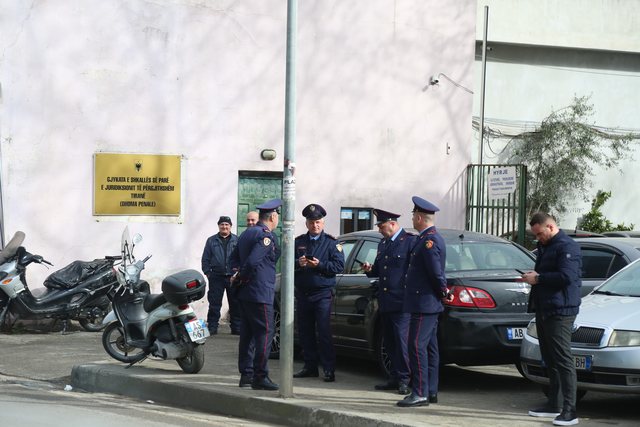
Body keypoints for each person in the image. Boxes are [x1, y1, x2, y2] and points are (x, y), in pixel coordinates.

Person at [522, 212, 581, 426]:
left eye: (540, 234)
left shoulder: (567, 246)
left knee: (563, 359)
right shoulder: (547, 246)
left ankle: (570, 410)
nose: (538, 238)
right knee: (550, 358)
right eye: (536, 236)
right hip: (545, 308)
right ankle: (554, 404)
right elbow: (547, 273)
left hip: (561, 310)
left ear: (550, 226)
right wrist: (535, 276)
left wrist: (538, 278)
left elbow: (567, 276)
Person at [397, 196, 452, 408]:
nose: (412, 219)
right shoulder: (425, 238)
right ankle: (430, 390)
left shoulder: (429, 241)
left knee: (416, 346)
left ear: (419, 217)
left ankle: (420, 392)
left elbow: (435, 272)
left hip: (425, 302)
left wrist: (443, 292)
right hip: (425, 301)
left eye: (413, 216)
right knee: (429, 348)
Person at [230, 199, 282, 391]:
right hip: (259, 293)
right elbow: (252, 263)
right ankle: (260, 376)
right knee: (265, 334)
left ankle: (246, 375)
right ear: (273, 217)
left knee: (248, 335)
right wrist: (242, 277)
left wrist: (236, 274)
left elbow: (233, 259)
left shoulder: (246, 233)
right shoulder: (265, 236)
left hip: (245, 294)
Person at [362, 209, 413, 395]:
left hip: (402, 302)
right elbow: (380, 269)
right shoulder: (383, 244)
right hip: (386, 301)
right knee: (389, 342)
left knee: (401, 342)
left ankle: (405, 379)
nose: (380, 230)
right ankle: (393, 377)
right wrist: (370, 269)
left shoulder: (408, 242)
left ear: (392, 224)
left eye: (382, 226)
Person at [293, 203, 345, 382]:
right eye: (311, 222)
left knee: (323, 331)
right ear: (306, 224)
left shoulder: (332, 243)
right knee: (305, 332)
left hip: (322, 293)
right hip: (303, 293)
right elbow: (287, 264)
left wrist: (320, 265)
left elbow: (338, 266)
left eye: (318, 222)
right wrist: (298, 263)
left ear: (323, 223)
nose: (315, 225)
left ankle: (329, 369)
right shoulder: (299, 242)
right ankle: (310, 366)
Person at [201, 215, 239, 335]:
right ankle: (212, 327)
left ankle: (236, 327)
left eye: (227, 224)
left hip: (232, 277)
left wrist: (238, 273)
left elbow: (241, 258)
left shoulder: (237, 240)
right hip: (216, 277)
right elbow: (205, 258)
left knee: (235, 303)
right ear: (218, 226)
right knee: (214, 304)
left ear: (230, 226)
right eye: (222, 224)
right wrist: (208, 273)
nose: (224, 227)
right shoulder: (211, 240)